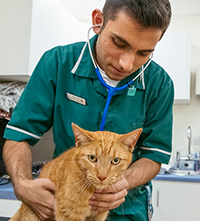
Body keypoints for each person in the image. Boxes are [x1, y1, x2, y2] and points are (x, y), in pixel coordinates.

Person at [3, 0, 173, 220]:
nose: (127, 64)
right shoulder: (57, 63)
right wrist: (23, 184)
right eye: (119, 43)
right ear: (98, 22)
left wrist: (122, 183)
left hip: (126, 209)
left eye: (143, 53)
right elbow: (18, 136)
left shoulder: (160, 84)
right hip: (66, 202)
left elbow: (153, 156)